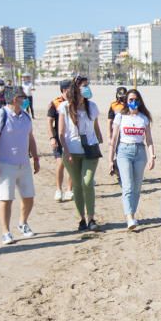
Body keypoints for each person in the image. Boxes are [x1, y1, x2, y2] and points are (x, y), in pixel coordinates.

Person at [0, 85, 39, 245]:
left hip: (24, 164)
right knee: (6, 199)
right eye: (23, 98)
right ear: (15, 99)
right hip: (5, 165)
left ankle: (23, 223)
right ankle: (5, 232)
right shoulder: (0, 115)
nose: (25, 101)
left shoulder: (25, 117)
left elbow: (30, 138)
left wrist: (35, 158)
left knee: (29, 197)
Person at [57, 75, 103, 232]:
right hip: (72, 151)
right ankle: (81, 219)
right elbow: (61, 133)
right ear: (75, 89)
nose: (86, 88)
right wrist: (66, 150)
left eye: (87, 85)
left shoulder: (93, 107)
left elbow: (96, 127)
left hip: (90, 150)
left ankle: (91, 218)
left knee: (87, 182)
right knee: (77, 185)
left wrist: (101, 140)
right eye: (83, 85)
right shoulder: (64, 107)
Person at [110, 89, 156, 230]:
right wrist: (111, 159)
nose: (133, 102)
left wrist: (152, 156)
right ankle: (129, 216)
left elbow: (148, 139)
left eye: (135, 99)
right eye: (130, 100)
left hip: (140, 152)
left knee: (136, 187)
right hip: (124, 151)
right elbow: (114, 138)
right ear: (126, 101)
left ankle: (133, 214)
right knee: (128, 185)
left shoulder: (143, 118)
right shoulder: (120, 117)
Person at [47, 80, 74, 201]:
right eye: (70, 88)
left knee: (72, 164)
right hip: (59, 138)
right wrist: (52, 138)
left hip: (73, 138)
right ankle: (58, 190)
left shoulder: (75, 102)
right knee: (60, 163)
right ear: (64, 90)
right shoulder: (55, 103)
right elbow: (49, 122)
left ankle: (69, 190)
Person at [107, 86, 128, 179]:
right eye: (121, 95)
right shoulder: (114, 105)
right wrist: (109, 135)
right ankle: (116, 168)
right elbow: (109, 121)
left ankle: (118, 168)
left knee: (123, 152)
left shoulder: (130, 104)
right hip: (116, 132)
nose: (122, 97)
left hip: (126, 132)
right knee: (117, 151)